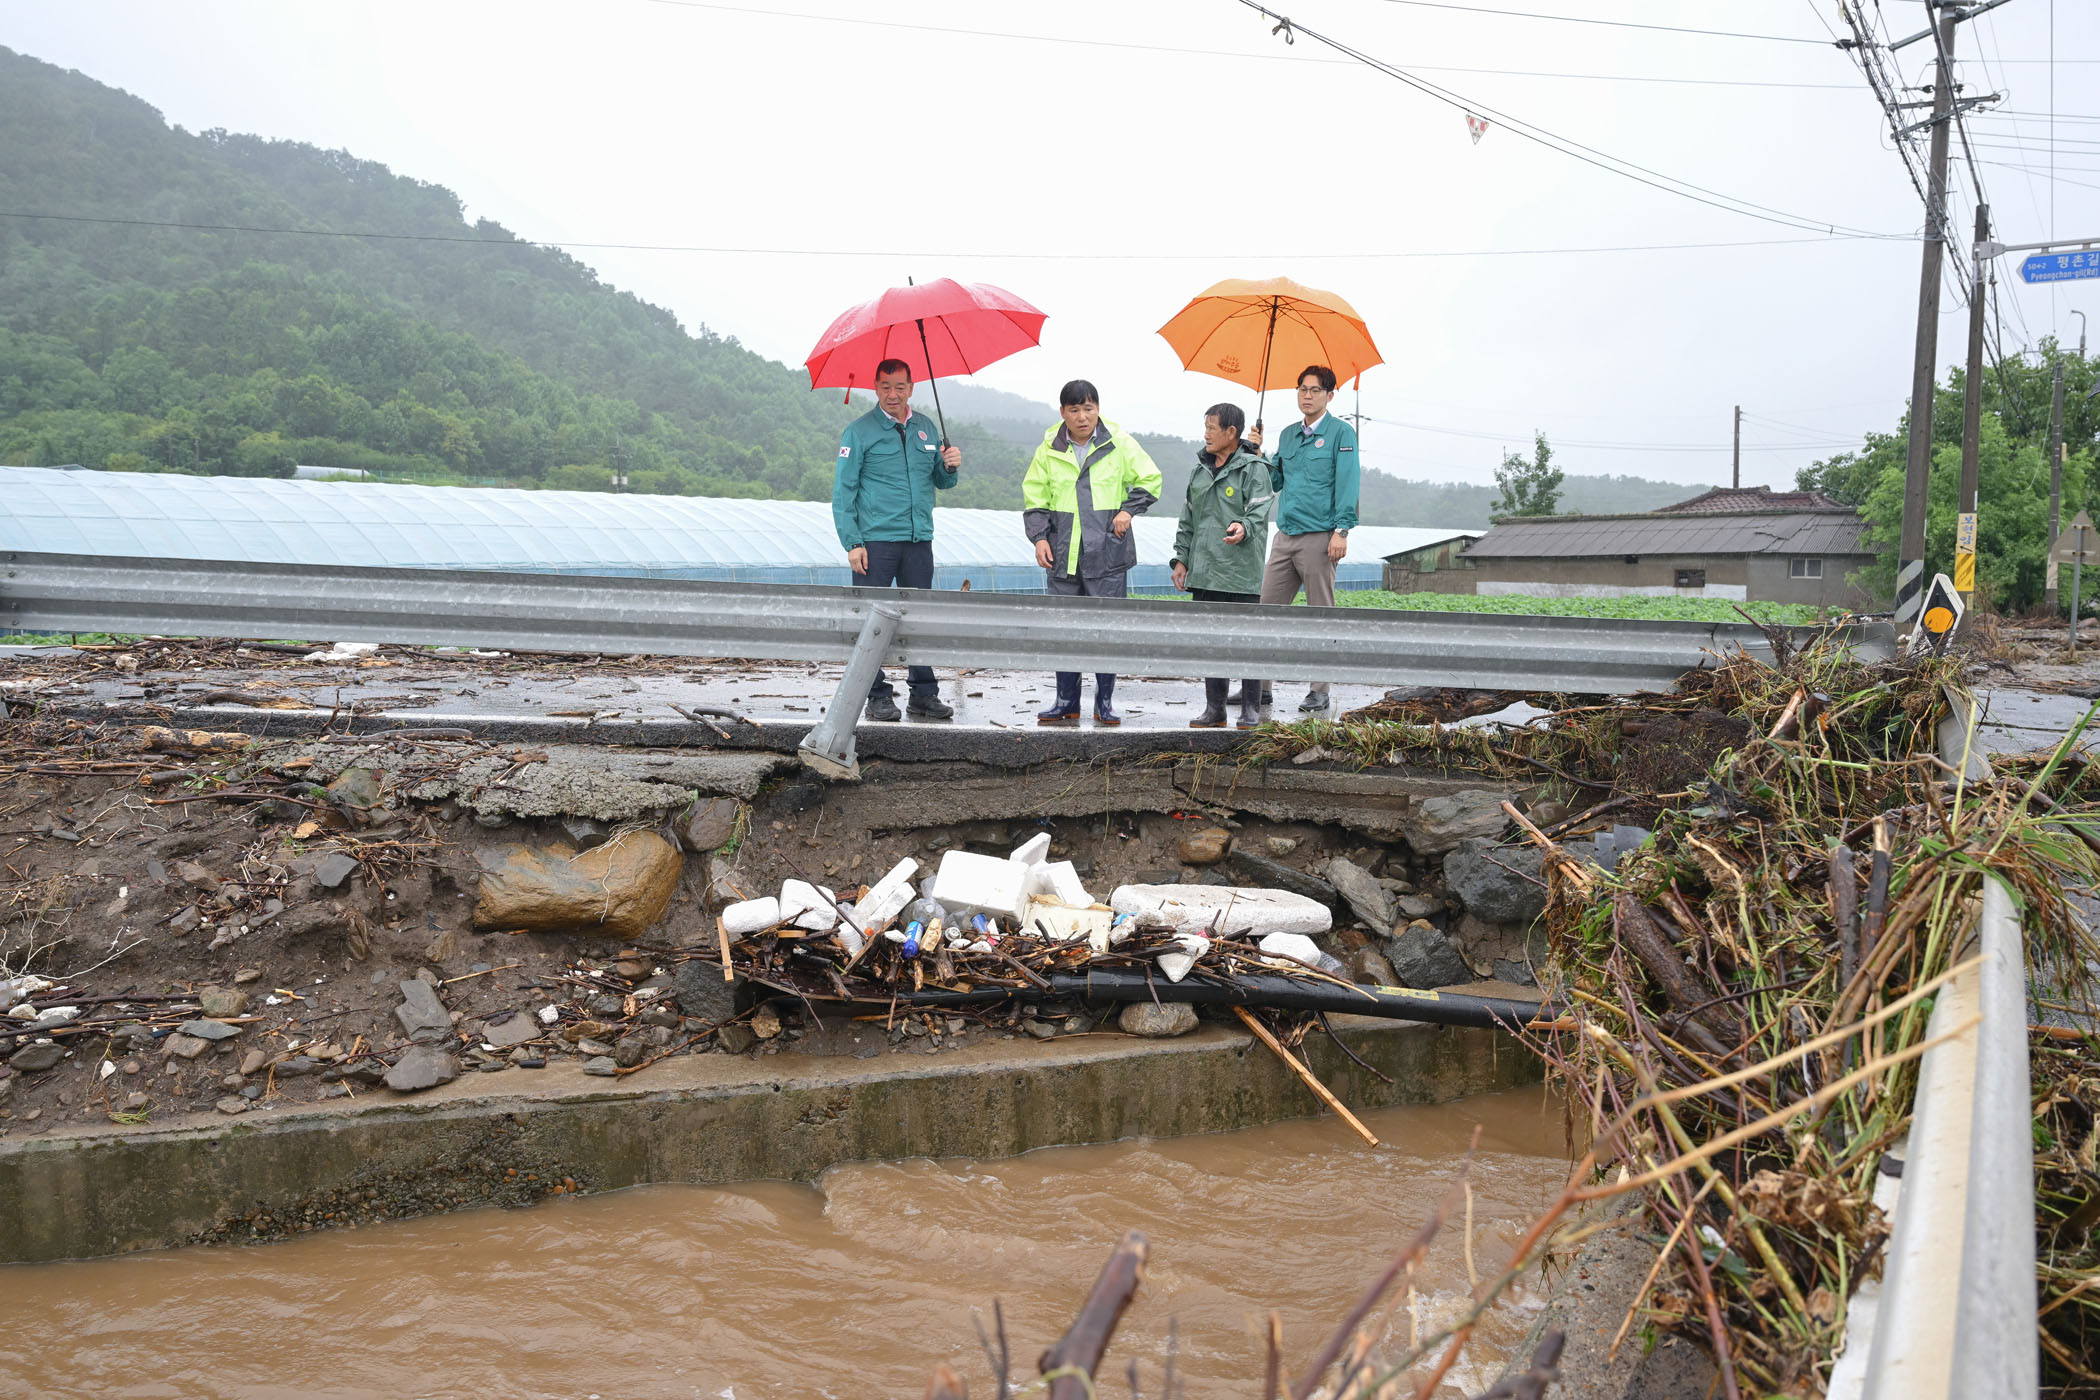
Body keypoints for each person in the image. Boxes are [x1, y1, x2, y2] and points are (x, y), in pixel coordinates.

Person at [1022, 379, 1162, 725]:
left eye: (1089, 408)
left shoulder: (1119, 442)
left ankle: (1105, 702)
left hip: (1107, 552)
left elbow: (1151, 478)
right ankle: (1066, 701)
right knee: (1064, 629)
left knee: (1106, 629)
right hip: (1063, 551)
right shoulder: (1049, 448)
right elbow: (1035, 496)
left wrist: (1128, 511)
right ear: (1063, 413)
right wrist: (1039, 538)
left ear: (1098, 409)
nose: (1082, 417)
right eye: (1075, 410)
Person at [831, 358, 962, 722]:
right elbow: (843, 491)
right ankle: (875, 695)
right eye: (885, 387)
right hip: (875, 542)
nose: (892, 394)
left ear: (911, 388)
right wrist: (852, 542)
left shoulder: (926, 428)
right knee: (870, 620)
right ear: (875, 387)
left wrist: (950, 465)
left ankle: (924, 694)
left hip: (919, 540)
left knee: (920, 619)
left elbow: (942, 481)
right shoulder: (859, 432)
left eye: (900, 387)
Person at [1244, 364, 1360, 713]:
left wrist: (1341, 530)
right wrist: (1258, 454)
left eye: (1315, 390)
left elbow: (1349, 482)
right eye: (1302, 389)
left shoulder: (1342, 434)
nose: (1307, 396)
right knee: (1266, 612)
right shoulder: (1289, 435)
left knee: (1320, 616)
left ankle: (1319, 690)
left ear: (1330, 395)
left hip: (1320, 537)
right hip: (1286, 535)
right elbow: (1276, 481)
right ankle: (1259, 688)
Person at [1171, 403, 1274, 729]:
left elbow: (1259, 511)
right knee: (1211, 642)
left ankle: (1250, 708)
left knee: (1247, 641)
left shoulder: (1254, 469)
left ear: (1231, 432)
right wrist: (1181, 558)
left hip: (1239, 573)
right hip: (1205, 572)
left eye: (1212, 428)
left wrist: (1244, 526)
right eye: (1205, 427)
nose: (1206, 434)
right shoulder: (1199, 471)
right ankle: (1215, 710)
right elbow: (1188, 519)